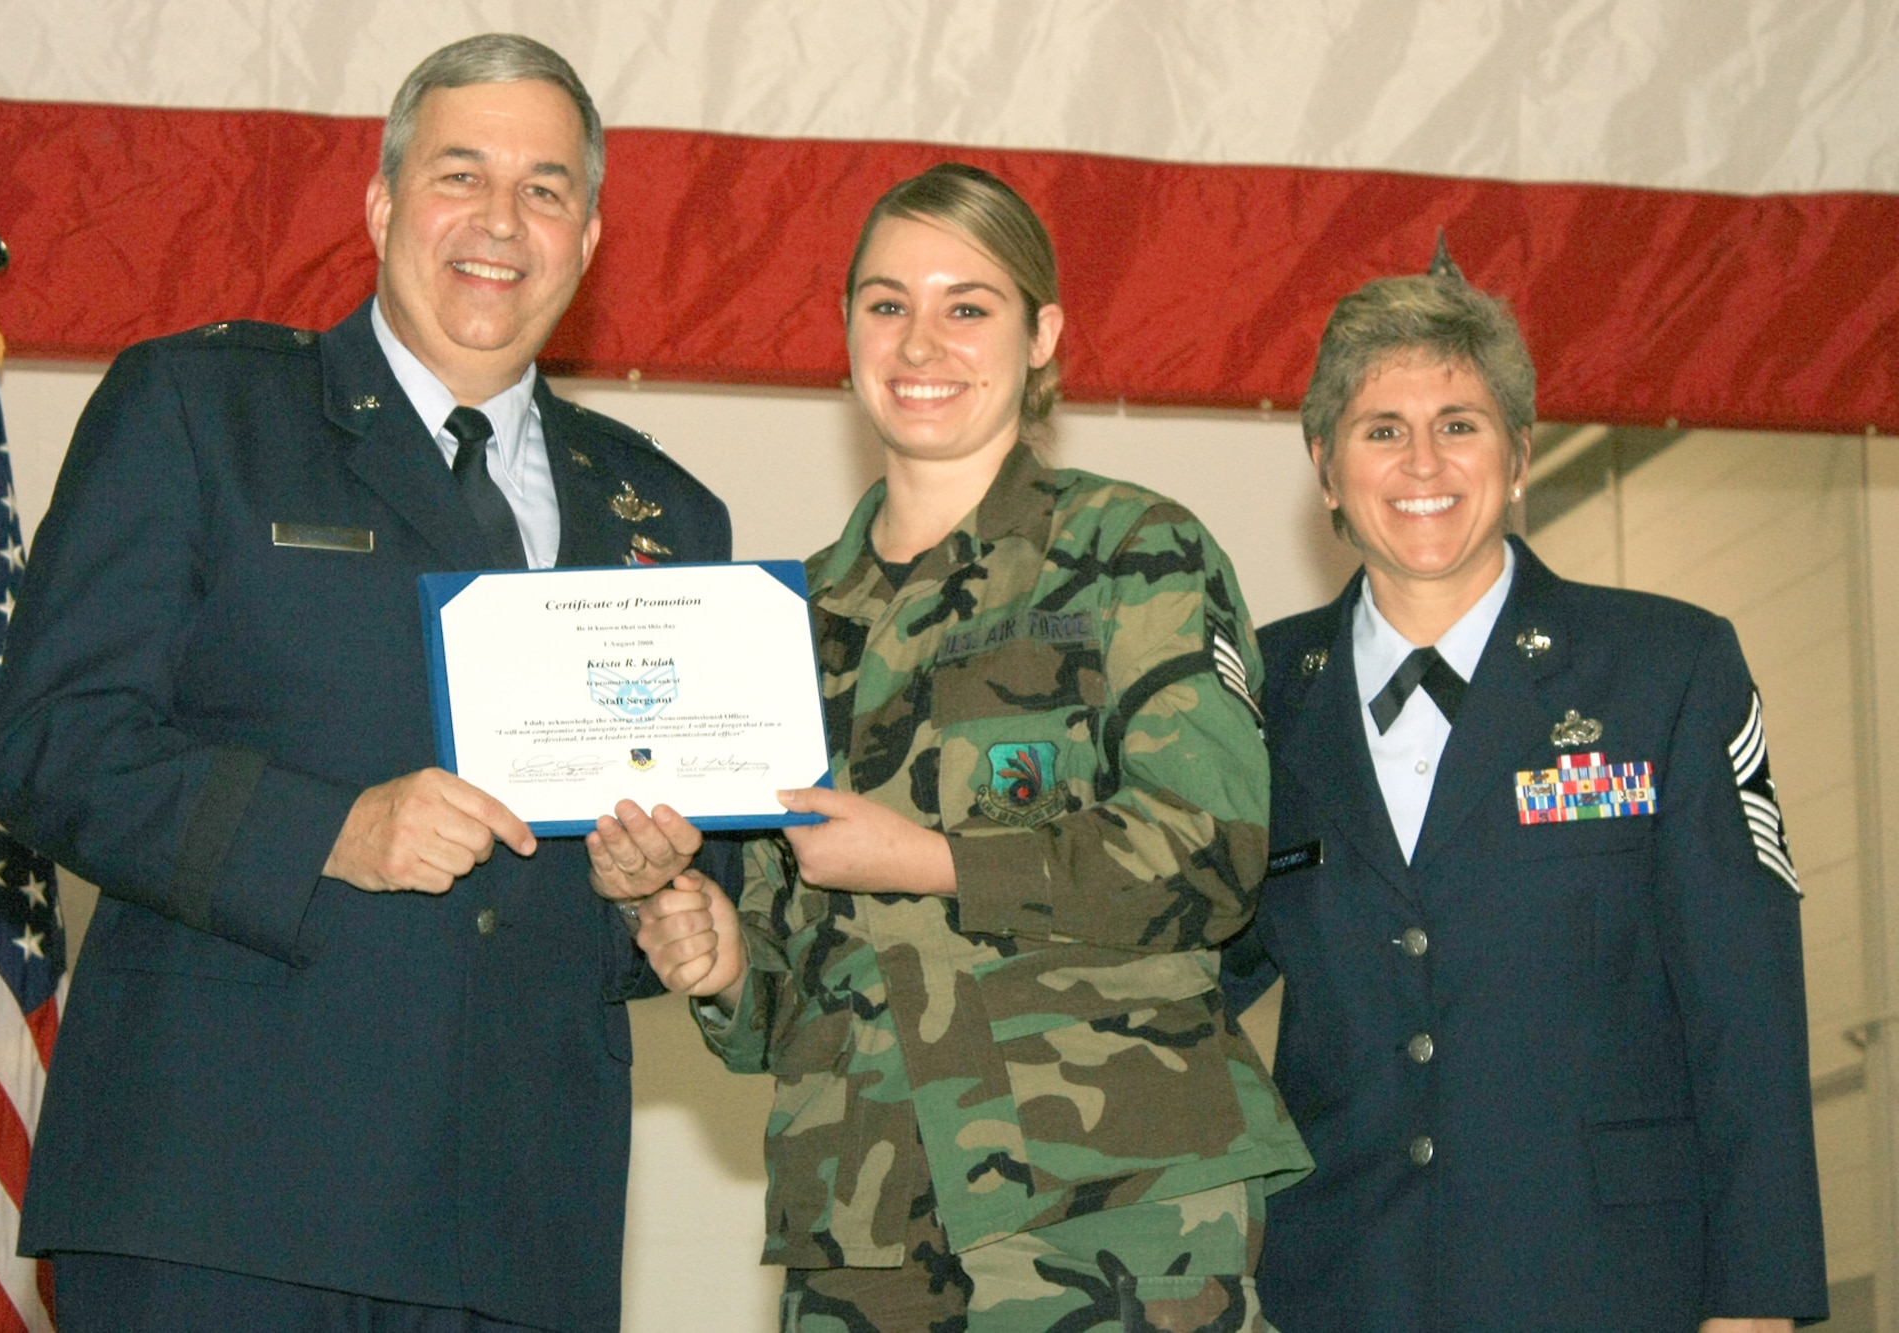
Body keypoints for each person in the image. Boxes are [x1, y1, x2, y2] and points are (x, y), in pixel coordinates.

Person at [0, 33, 732, 1332]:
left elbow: (650, 848)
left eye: (546, 188)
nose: (502, 221)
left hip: (522, 1224)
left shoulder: (665, 508)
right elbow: (50, 746)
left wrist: (665, 915)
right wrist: (330, 828)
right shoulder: (198, 408)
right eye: (461, 175)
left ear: (590, 237)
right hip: (226, 1203)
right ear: (384, 206)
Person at [590, 163, 1310, 1333]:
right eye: (885, 304)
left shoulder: (1135, 550)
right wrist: (720, 962)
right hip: (860, 1231)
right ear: (846, 333)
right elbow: (785, 991)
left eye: (966, 306)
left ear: (1041, 336)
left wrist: (932, 856)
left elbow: (1212, 856)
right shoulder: (783, 618)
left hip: (1112, 1216)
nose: (920, 342)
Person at [1219, 256, 1827, 1331]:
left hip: (1607, 1284)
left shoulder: (1665, 668)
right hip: (1336, 1288)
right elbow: (1176, 971)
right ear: (1323, 468)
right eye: (1378, 428)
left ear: (1517, 457)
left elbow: (1745, 1011)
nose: (1420, 463)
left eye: (1458, 423)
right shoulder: (1250, 696)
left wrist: (1758, 1299)